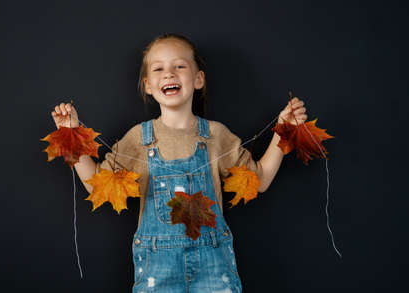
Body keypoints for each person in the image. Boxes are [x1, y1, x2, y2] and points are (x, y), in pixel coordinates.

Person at [51, 33, 307, 292]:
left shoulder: (216, 135)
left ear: (198, 79)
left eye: (180, 66)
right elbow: (96, 186)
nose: (169, 74)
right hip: (157, 270)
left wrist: (284, 131)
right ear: (148, 85)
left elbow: (259, 180)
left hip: (214, 268)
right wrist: (69, 136)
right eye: (158, 68)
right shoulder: (139, 138)